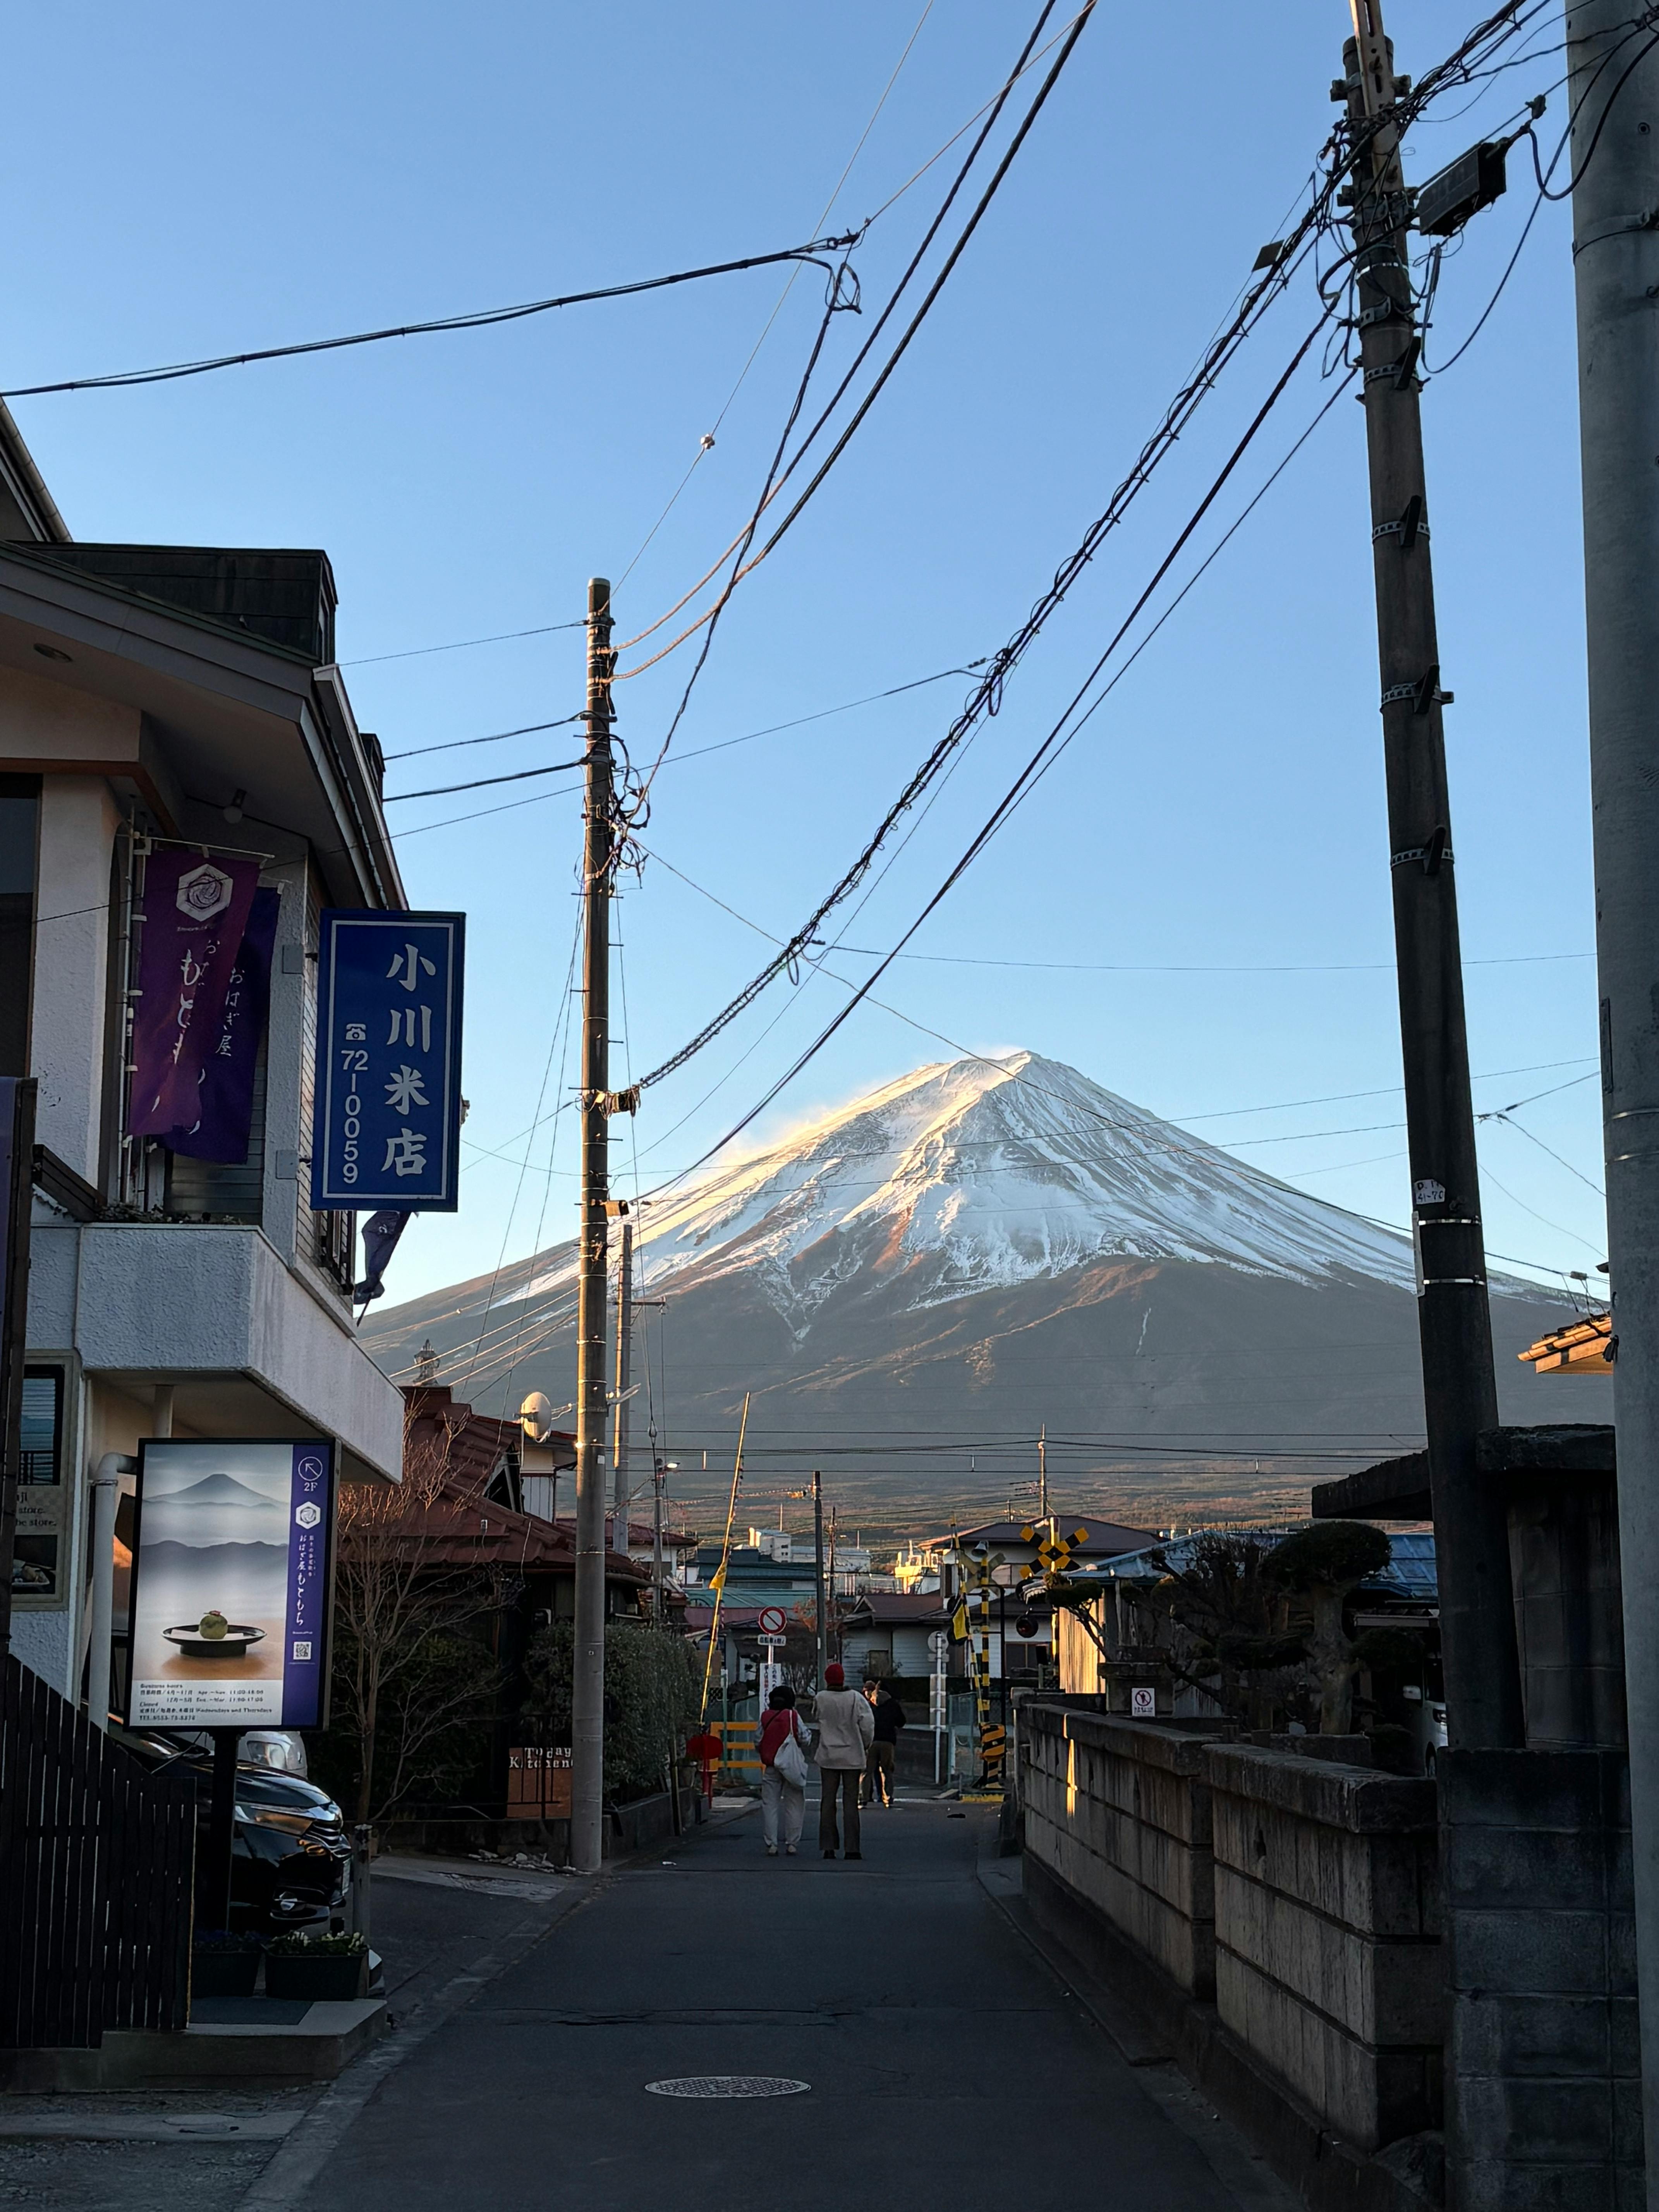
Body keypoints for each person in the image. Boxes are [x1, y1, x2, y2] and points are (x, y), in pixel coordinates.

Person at [812, 1662, 874, 1859]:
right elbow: (868, 1726)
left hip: (829, 1756)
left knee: (828, 1802)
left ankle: (828, 1847)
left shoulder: (821, 1698)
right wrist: (864, 1745)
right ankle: (852, 1849)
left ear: (827, 1679)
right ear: (843, 1678)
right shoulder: (856, 1698)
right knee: (851, 1803)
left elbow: (816, 1717)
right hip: (852, 1756)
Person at [756, 1685, 808, 1856]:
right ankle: (792, 1843)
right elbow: (805, 1738)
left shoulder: (765, 1717)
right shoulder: (793, 1716)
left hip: (772, 1767)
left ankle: (772, 1844)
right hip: (791, 1767)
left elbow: (758, 1741)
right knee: (794, 1804)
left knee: (770, 1804)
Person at [862, 1678, 906, 1807]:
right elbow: (901, 1722)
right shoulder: (893, 1704)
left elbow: (864, 1722)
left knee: (866, 1771)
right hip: (888, 1741)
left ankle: (863, 1799)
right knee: (886, 1770)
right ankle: (888, 1798)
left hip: (872, 1740)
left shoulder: (869, 1705)